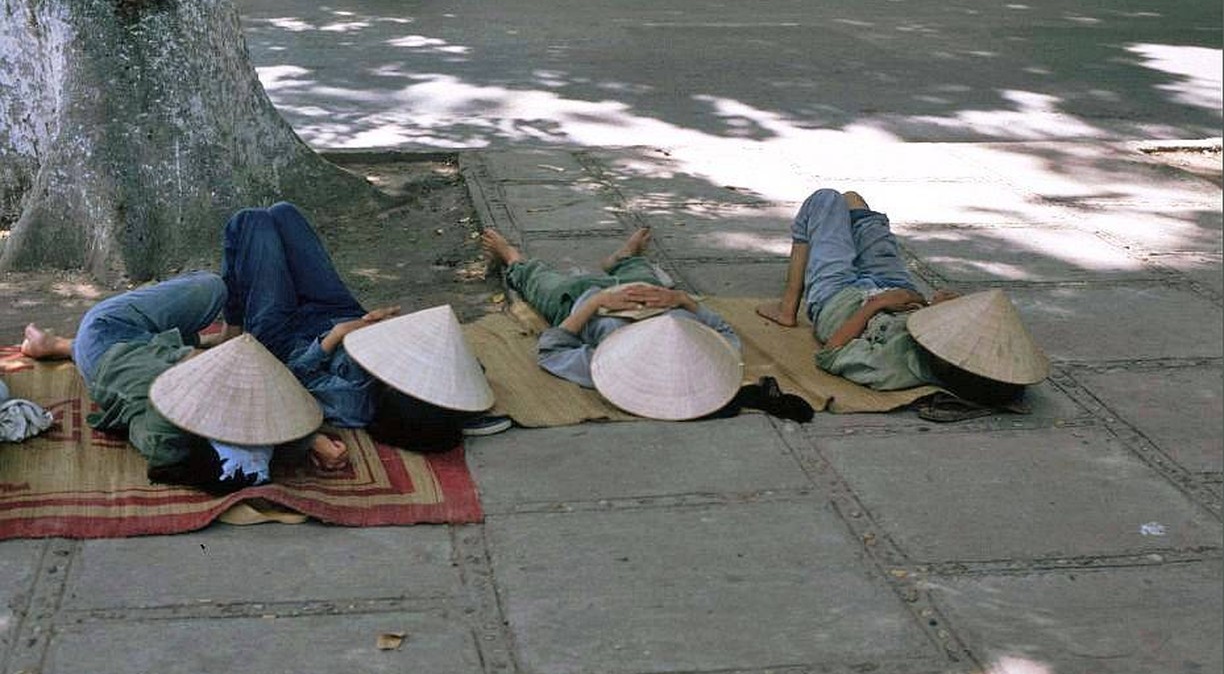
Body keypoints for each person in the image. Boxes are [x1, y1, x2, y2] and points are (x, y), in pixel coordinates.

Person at [217, 202, 509, 451]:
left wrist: (334, 338)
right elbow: (466, 367)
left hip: (286, 338)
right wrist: (381, 324)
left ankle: (233, 326)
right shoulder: (430, 384)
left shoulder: (353, 402)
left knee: (251, 222)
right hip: (340, 312)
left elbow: (293, 379)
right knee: (283, 213)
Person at [20, 272, 330, 491]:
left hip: (106, 336)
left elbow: (230, 379)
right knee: (189, 336)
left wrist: (308, 438)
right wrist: (309, 440)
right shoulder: (180, 451)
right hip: (128, 360)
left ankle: (61, 345)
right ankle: (59, 346)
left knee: (211, 287)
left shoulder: (173, 420)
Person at [756, 188, 1048, 405]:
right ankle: (848, 245)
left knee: (825, 200)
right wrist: (941, 309)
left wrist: (876, 304)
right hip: (896, 287)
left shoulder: (895, 368)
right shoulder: (950, 351)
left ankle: (787, 308)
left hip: (839, 299)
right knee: (854, 202)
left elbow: (831, 353)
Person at [481, 227, 742, 389]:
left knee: (539, 281)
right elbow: (724, 333)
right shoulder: (705, 352)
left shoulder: (614, 367)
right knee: (640, 270)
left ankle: (511, 258)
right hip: (643, 289)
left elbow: (551, 351)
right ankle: (624, 258)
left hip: (575, 299)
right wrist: (683, 300)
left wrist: (595, 303)